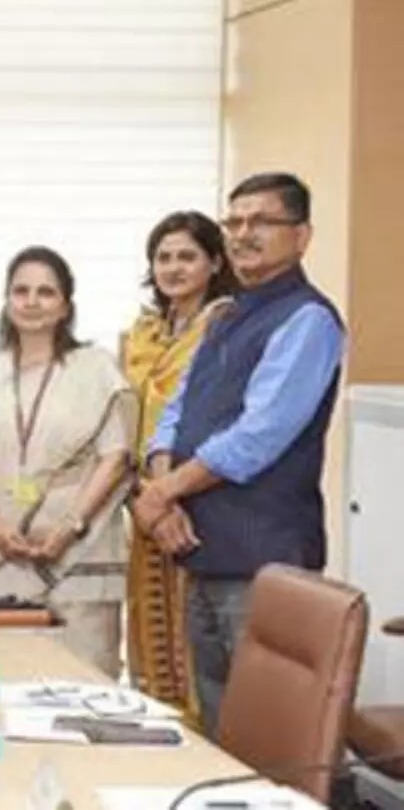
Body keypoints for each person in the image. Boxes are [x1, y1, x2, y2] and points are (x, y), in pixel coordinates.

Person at [135, 172, 345, 735]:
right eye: (235, 221)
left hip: (264, 562)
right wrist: (164, 498)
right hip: (201, 552)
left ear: (301, 236)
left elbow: (258, 438)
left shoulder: (307, 319)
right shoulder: (226, 314)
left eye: (262, 221)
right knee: (216, 725)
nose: (244, 233)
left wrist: (162, 491)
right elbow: (175, 414)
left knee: (266, 733)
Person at [0, 246, 135, 678]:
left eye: (45, 292)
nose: (32, 302)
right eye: (21, 291)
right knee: (5, 679)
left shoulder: (96, 368)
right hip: (1, 550)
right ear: (7, 301)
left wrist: (70, 527)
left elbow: (115, 456)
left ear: (66, 306)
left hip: (80, 550)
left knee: (83, 682)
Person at [120, 211, 236, 723]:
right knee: (148, 638)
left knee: (194, 648)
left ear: (215, 262)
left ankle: (201, 751)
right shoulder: (141, 334)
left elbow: (223, 418)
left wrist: (169, 494)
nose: (173, 267)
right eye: (163, 257)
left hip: (198, 501)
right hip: (142, 501)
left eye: (187, 256)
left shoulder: (225, 326)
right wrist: (142, 495)